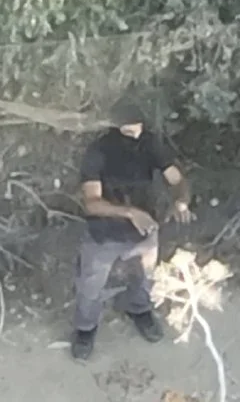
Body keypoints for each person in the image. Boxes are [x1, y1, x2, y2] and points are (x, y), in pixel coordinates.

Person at [71, 97, 195, 360]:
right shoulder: (98, 151)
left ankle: (139, 311)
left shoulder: (150, 144)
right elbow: (91, 203)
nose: (134, 134)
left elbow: (176, 178)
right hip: (104, 232)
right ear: (114, 127)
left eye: (137, 127)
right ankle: (85, 329)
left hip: (145, 228)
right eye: (127, 130)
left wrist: (181, 201)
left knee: (144, 277)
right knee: (91, 284)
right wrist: (130, 213)